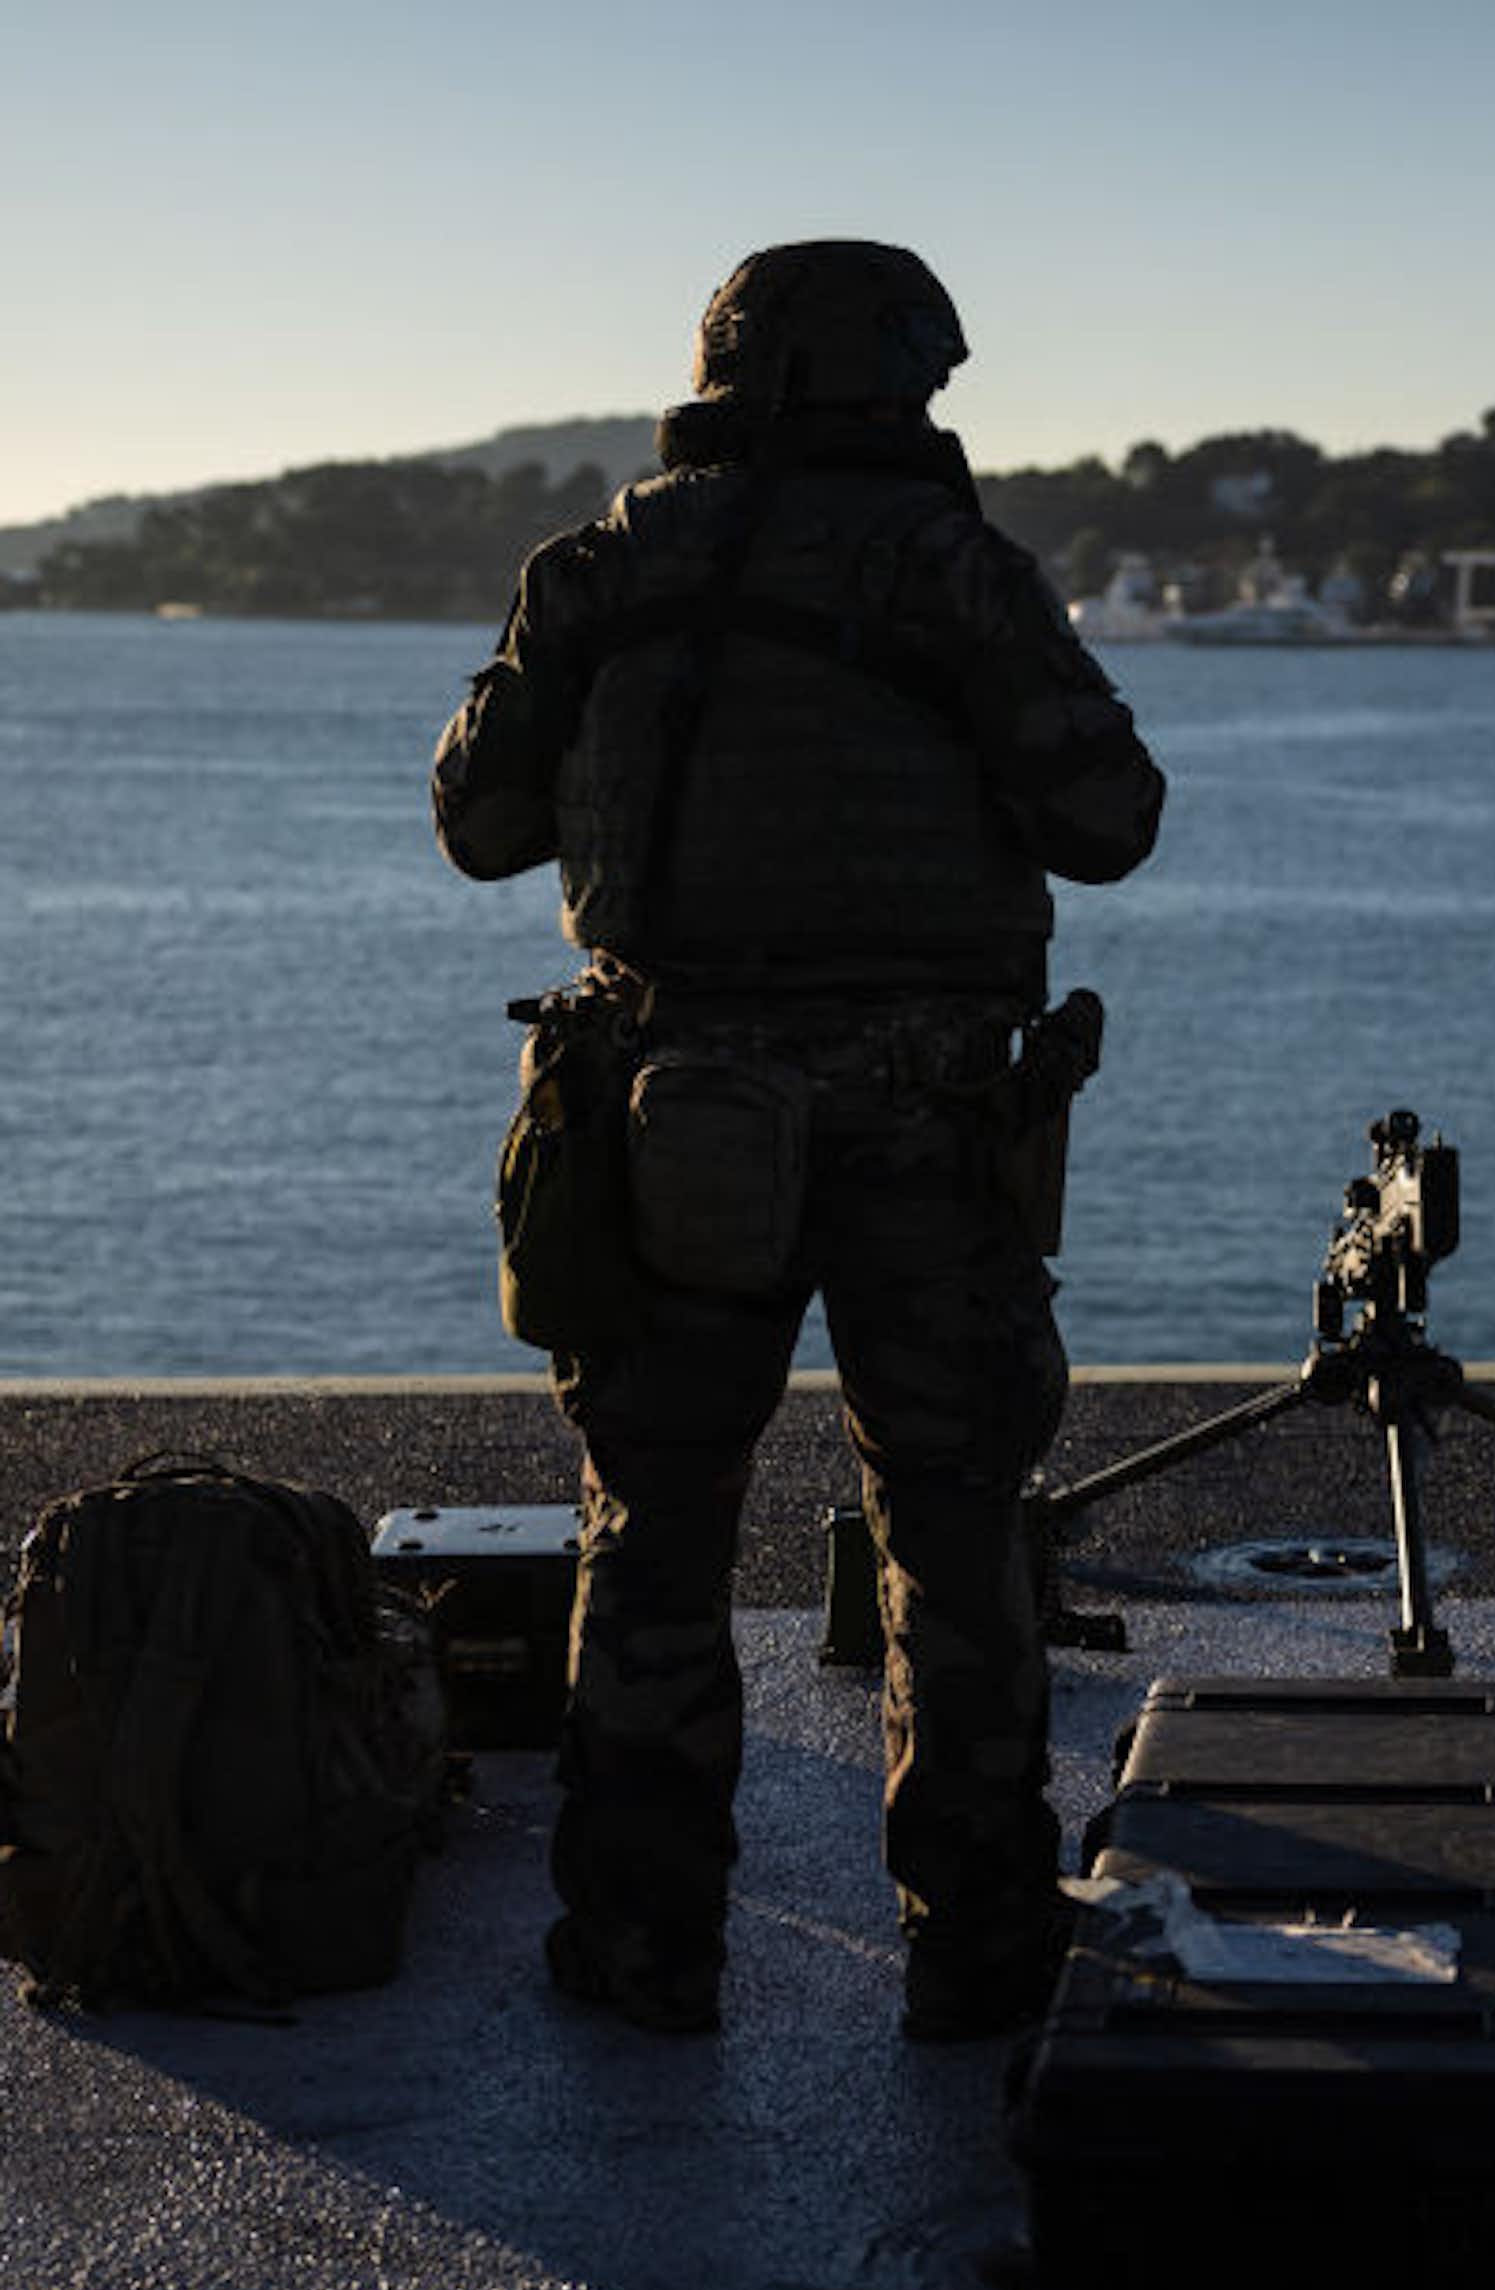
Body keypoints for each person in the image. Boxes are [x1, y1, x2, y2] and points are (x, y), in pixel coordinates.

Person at [432, 241, 1164, 2036]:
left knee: (651, 1535)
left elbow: (478, 821)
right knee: (953, 1534)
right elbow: (1110, 819)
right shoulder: (955, 570)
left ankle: (639, 1945)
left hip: (670, 1114)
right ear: (892, 380)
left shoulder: (595, 566)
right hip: (929, 1123)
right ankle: (977, 1943)